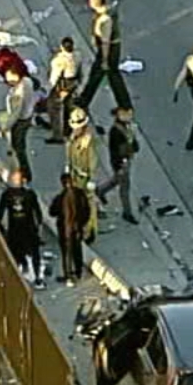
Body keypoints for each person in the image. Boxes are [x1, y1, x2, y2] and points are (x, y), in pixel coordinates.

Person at [78, 0, 132, 111]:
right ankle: (124, 105)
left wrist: (105, 59)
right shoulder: (105, 12)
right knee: (102, 75)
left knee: (104, 75)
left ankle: (125, 105)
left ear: (94, 3)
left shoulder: (106, 19)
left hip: (109, 50)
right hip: (108, 49)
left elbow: (106, 41)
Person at [0, 167, 45, 286]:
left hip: (14, 230)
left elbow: (0, 214)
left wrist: (1, 228)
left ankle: (14, 277)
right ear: (23, 180)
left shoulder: (7, 194)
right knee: (34, 254)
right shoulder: (30, 194)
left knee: (14, 254)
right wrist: (39, 227)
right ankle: (37, 277)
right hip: (29, 229)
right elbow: (38, 213)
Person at [49, 172, 92, 286]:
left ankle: (68, 274)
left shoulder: (61, 197)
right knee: (77, 250)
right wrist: (83, 223)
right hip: (76, 228)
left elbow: (52, 212)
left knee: (67, 253)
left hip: (66, 230)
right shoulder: (80, 194)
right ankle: (77, 272)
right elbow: (87, 210)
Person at [65, 107, 100, 241]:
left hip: (85, 177)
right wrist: (68, 167)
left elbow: (92, 160)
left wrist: (92, 178)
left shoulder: (88, 141)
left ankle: (89, 232)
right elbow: (69, 153)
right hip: (75, 176)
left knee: (88, 205)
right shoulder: (73, 137)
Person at [0, 68, 35, 183]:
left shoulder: (18, 95)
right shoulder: (27, 81)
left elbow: (15, 114)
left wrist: (5, 127)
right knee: (20, 146)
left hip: (20, 121)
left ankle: (24, 173)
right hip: (28, 116)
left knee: (18, 148)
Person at [107, 106, 139, 224]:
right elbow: (117, 152)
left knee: (116, 180)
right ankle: (127, 212)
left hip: (125, 160)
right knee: (124, 188)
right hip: (121, 162)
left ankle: (99, 191)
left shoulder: (126, 127)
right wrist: (120, 166)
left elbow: (133, 144)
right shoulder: (116, 132)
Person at [46, 37, 80, 143]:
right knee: (68, 107)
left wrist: (48, 89)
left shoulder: (59, 60)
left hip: (62, 86)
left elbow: (54, 77)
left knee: (54, 109)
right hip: (73, 84)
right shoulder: (77, 56)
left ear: (62, 47)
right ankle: (68, 129)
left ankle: (57, 135)